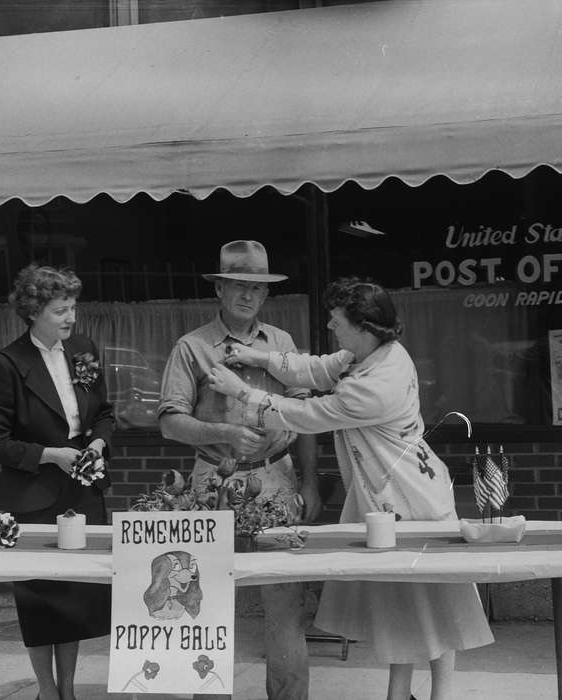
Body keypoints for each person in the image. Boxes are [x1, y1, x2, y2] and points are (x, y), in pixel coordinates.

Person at [207, 276, 494, 700]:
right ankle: (401, 693)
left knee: (436, 603)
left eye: (337, 321)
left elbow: (310, 415)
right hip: (388, 496)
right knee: (405, 604)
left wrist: (243, 393)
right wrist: (256, 355)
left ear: (363, 327)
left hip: (412, 500)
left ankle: (441, 695)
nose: (329, 325)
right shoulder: (369, 353)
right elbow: (314, 367)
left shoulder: (378, 383)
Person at [158, 239, 321, 700]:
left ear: (266, 294)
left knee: (286, 606)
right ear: (220, 289)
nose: (248, 295)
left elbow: (305, 418)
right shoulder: (192, 348)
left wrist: (310, 480)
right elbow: (170, 423)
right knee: (204, 603)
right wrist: (223, 433)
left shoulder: (282, 346)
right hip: (214, 482)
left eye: (257, 287)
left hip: (278, 478)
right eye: (238, 285)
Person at [0, 264, 113, 700]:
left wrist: (96, 444)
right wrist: (50, 455)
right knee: (40, 600)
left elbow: (105, 414)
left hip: (82, 490)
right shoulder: (6, 364)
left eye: (73, 307)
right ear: (34, 311)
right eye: (61, 310)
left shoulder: (84, 350)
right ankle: (46, 691)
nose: (70, 317)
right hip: (33, 495)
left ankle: (68, 690)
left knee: (73, 600)